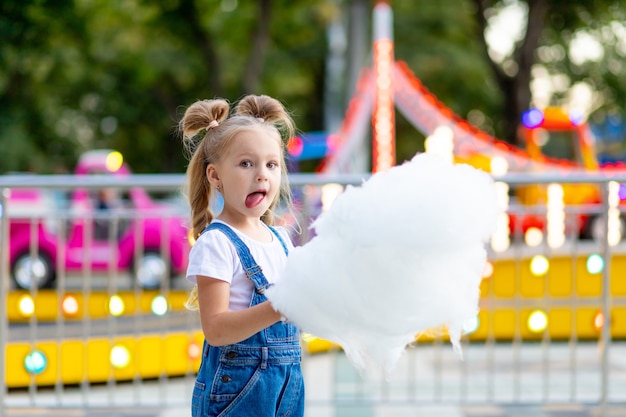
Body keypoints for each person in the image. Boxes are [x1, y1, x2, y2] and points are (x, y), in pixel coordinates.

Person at [179, 94, 304, 417]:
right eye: (246, 163)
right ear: (215, 176)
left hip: (286, 390)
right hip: (238, 395)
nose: (262, 174)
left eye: (271, 164)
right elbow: (217, 330)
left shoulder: (281, 239)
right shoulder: (217, 243)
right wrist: (281, 306)